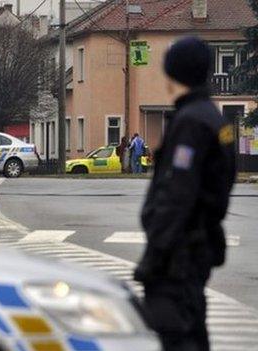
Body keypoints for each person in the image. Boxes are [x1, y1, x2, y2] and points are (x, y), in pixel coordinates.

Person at [134, 37, 236, 351]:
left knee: (176, 336)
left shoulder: (190, 123)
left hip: (178, 254)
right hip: (198, 246)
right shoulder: (215, 119)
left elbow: (177, 194)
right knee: (193, 330)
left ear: (173, 72)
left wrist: (155, 257)